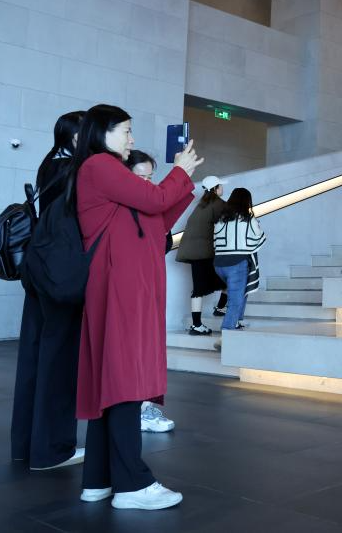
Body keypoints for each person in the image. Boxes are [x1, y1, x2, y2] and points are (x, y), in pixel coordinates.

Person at [68, 104, 202, 509]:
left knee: (114, 381)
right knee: (124, 380)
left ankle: (99, 479)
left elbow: (156, 218)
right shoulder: (99, 165)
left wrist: (181, 182)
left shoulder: (104, 173)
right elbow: (155, 198)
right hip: (119, 290)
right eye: (125, 130)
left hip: (123, 288)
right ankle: (131, 485)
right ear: (102, 132)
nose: (131, 138)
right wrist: (178, 172)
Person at [11, 110, 87, 471]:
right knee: (59, 360)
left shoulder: (50, 164)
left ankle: (27, 447)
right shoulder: (74, 169)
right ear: (76, 137)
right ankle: (53, 449)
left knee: (36, 358)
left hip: (39, 269)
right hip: (61, 275)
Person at [124, 150, 177, 435]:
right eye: (141, 177)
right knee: (134, 350)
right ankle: (137, 409)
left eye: (150, 177)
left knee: (147, 349)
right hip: (128, 289)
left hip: (148, 287)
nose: (148, 183)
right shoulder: (121, 208)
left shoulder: (150, 207)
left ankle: (143, 407)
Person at [176, 176, 230, 336]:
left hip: (194, 252)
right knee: (230, 279)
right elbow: (228, 224)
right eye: (220, 186)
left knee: (199, 288)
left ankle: (198, 323)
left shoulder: (201, 205)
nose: (222, 188)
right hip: (204, 252)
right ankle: (216, 310)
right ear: (216, 188)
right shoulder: (219, 204)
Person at [213, 188, 266, 338]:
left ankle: (237, 321)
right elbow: (259, 238)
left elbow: (215, 242)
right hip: (236, 263)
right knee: (235, 299)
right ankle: (227, 333)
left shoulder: (221, 219)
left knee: (242, 290)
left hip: (219, 264)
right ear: (247, 201)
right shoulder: (248, 219)